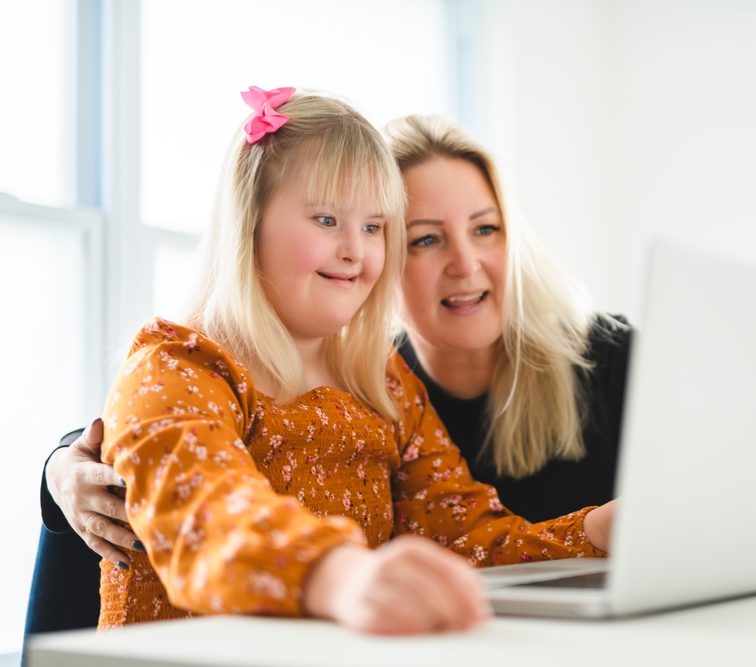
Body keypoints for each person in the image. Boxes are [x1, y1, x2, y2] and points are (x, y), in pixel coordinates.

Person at [30, 110, 630, 634]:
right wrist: (338, 576)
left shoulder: (386, 384)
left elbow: (464, 536)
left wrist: (598, 530)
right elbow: (208, 517)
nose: (356, 250)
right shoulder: (177, 367)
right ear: (250, 220)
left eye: (373, 227)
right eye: (326, 220)